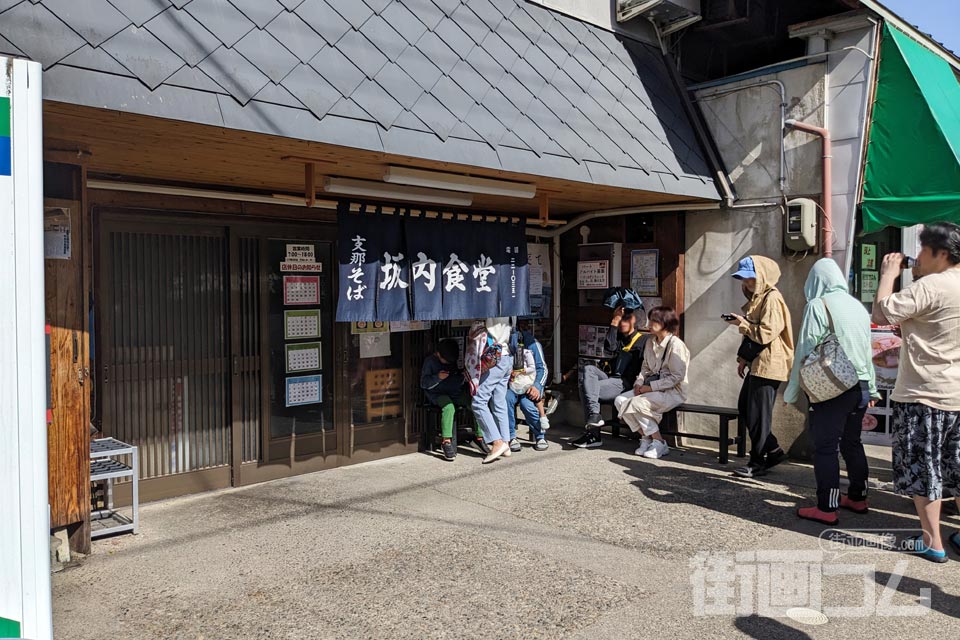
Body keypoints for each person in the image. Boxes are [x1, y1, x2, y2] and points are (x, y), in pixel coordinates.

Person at [872, 223, 960, 563]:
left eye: (922, 250)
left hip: (924, 392)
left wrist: (888, 273)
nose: (917, 257)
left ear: (941, 253)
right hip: (957, 393)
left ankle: (932, 541)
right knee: (956, 467)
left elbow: (881, 312)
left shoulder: (931, 286)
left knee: (925, 468)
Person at [784, 259, 879, 524]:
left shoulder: (817, 305)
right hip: (859, 387)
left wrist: (791, 392)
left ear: (815, 281)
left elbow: (803, 352)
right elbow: (866, 352)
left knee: (826, 447)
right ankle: (858, 497)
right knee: (852, 443)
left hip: (834, 388)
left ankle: (827, 507)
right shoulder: (857, 306)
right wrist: (871, 389)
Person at [726, 256, 794, 478]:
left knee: (757, 415)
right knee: (747, 408)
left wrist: (742, 323)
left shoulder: (772, 298)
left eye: (750, 278)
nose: (746, 283)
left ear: (763, 276)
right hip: (759, 363)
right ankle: (772, 450)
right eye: (744, 280)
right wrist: (744, 358)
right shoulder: (760, 298)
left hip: (769, 364)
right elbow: (757, 334)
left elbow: (765, 333)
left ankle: (757, 462)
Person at [615, 306, 689, 459]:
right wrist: (638, 383)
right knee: (620, 400)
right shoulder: (650, 342)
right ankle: (647, 438)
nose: (649, 324)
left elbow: (677, 377)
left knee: (636, 403)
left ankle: (659, 442)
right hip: (649, 388)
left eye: (654, 321)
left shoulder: (676, 345)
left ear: (665, 323)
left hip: (672, 391)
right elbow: (645, 368)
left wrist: (649, 388)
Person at [571, 306, 646, 449]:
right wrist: (614, 321)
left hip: (625, 383)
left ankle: (593, 434)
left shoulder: (643, 340)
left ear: (634, 320)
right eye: (620, 320)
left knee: (584, 387)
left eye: (625, 320)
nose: (622, 323)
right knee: (589, 370)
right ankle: (594, 416)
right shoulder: (618, 338)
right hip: (611, 378)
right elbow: (609, 348)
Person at [420, 339, 488, 461]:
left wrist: (463, 377)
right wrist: (437, 378)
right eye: (445, 360)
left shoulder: (452, 360)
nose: (447, 363)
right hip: (437, 394)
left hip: (454, 390)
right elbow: (424, 384)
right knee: (449, 407)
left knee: (475, 403)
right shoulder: (430, 362)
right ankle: (446, 441)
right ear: (438, 354)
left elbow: (456, 376)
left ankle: (479, 437)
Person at [467, 317, 515, 464]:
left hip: (494, 357)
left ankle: (496, 441)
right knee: (499, 402)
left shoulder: (490, 303)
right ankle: (506, 442)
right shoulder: (513, 301)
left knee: (478, 402)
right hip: (507, 356)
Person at [506, 329, 550, 452]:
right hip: (512, 385)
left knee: (527, 405)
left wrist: (537, 386)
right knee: (506, 400)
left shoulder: (533, 345)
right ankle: (511, 436)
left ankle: (540, 436)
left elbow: (543, 369)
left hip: (530, 384)